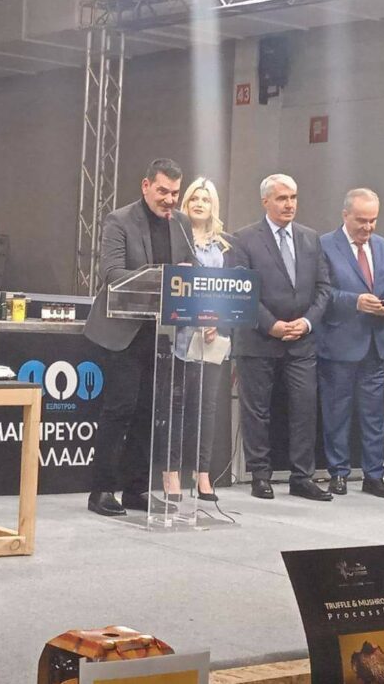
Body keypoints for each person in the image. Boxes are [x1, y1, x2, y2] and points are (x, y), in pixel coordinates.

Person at [83, 158, 194, 517]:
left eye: (175, 193)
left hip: (160, 333)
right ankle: (101, 491)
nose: (169, 199)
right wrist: (165, 276)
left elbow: (190, 269)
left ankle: (136, 489)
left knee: (150, 412)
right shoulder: (119, 220)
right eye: (163, 191)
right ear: (146, 186)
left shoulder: (181, 224)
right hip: (122, 331)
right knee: (121, 409)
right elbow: (112, 273)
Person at [231, 174, 334, 502]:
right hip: (258, 339)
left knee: (304, 408)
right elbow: (241, 290)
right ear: (265, 201)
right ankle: (260, 475)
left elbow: (324, 288)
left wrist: (307, 322)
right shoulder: (243, 239)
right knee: (257, 411)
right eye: (282, 198)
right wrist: (271, 325)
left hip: (301, 340)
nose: (289, 204)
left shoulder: (310, 238)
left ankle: (302, 477)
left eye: (293, 197)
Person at [317, 188, 384, 499]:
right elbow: (321, 293)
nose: (367, 227)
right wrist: (355, 301)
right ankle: (338, 473)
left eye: (372, 220)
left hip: (376, 345)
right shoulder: (325, 246)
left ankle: (374, 475)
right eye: (361, 220)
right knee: (337, 413)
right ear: (345, 215)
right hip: (339, 344)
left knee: (374, 416)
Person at [164, 177, 233, 502]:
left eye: (205, 199)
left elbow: (229, 290)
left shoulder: (223, 246)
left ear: (213, 205)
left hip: (212, 335)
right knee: (177, 407)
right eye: (194, 198)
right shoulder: (175, 238)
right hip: (180, 334)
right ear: (186, 203)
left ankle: (202, 472)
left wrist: (215, 320)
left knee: (207, 407)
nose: (199, 203)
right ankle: (171, 472)